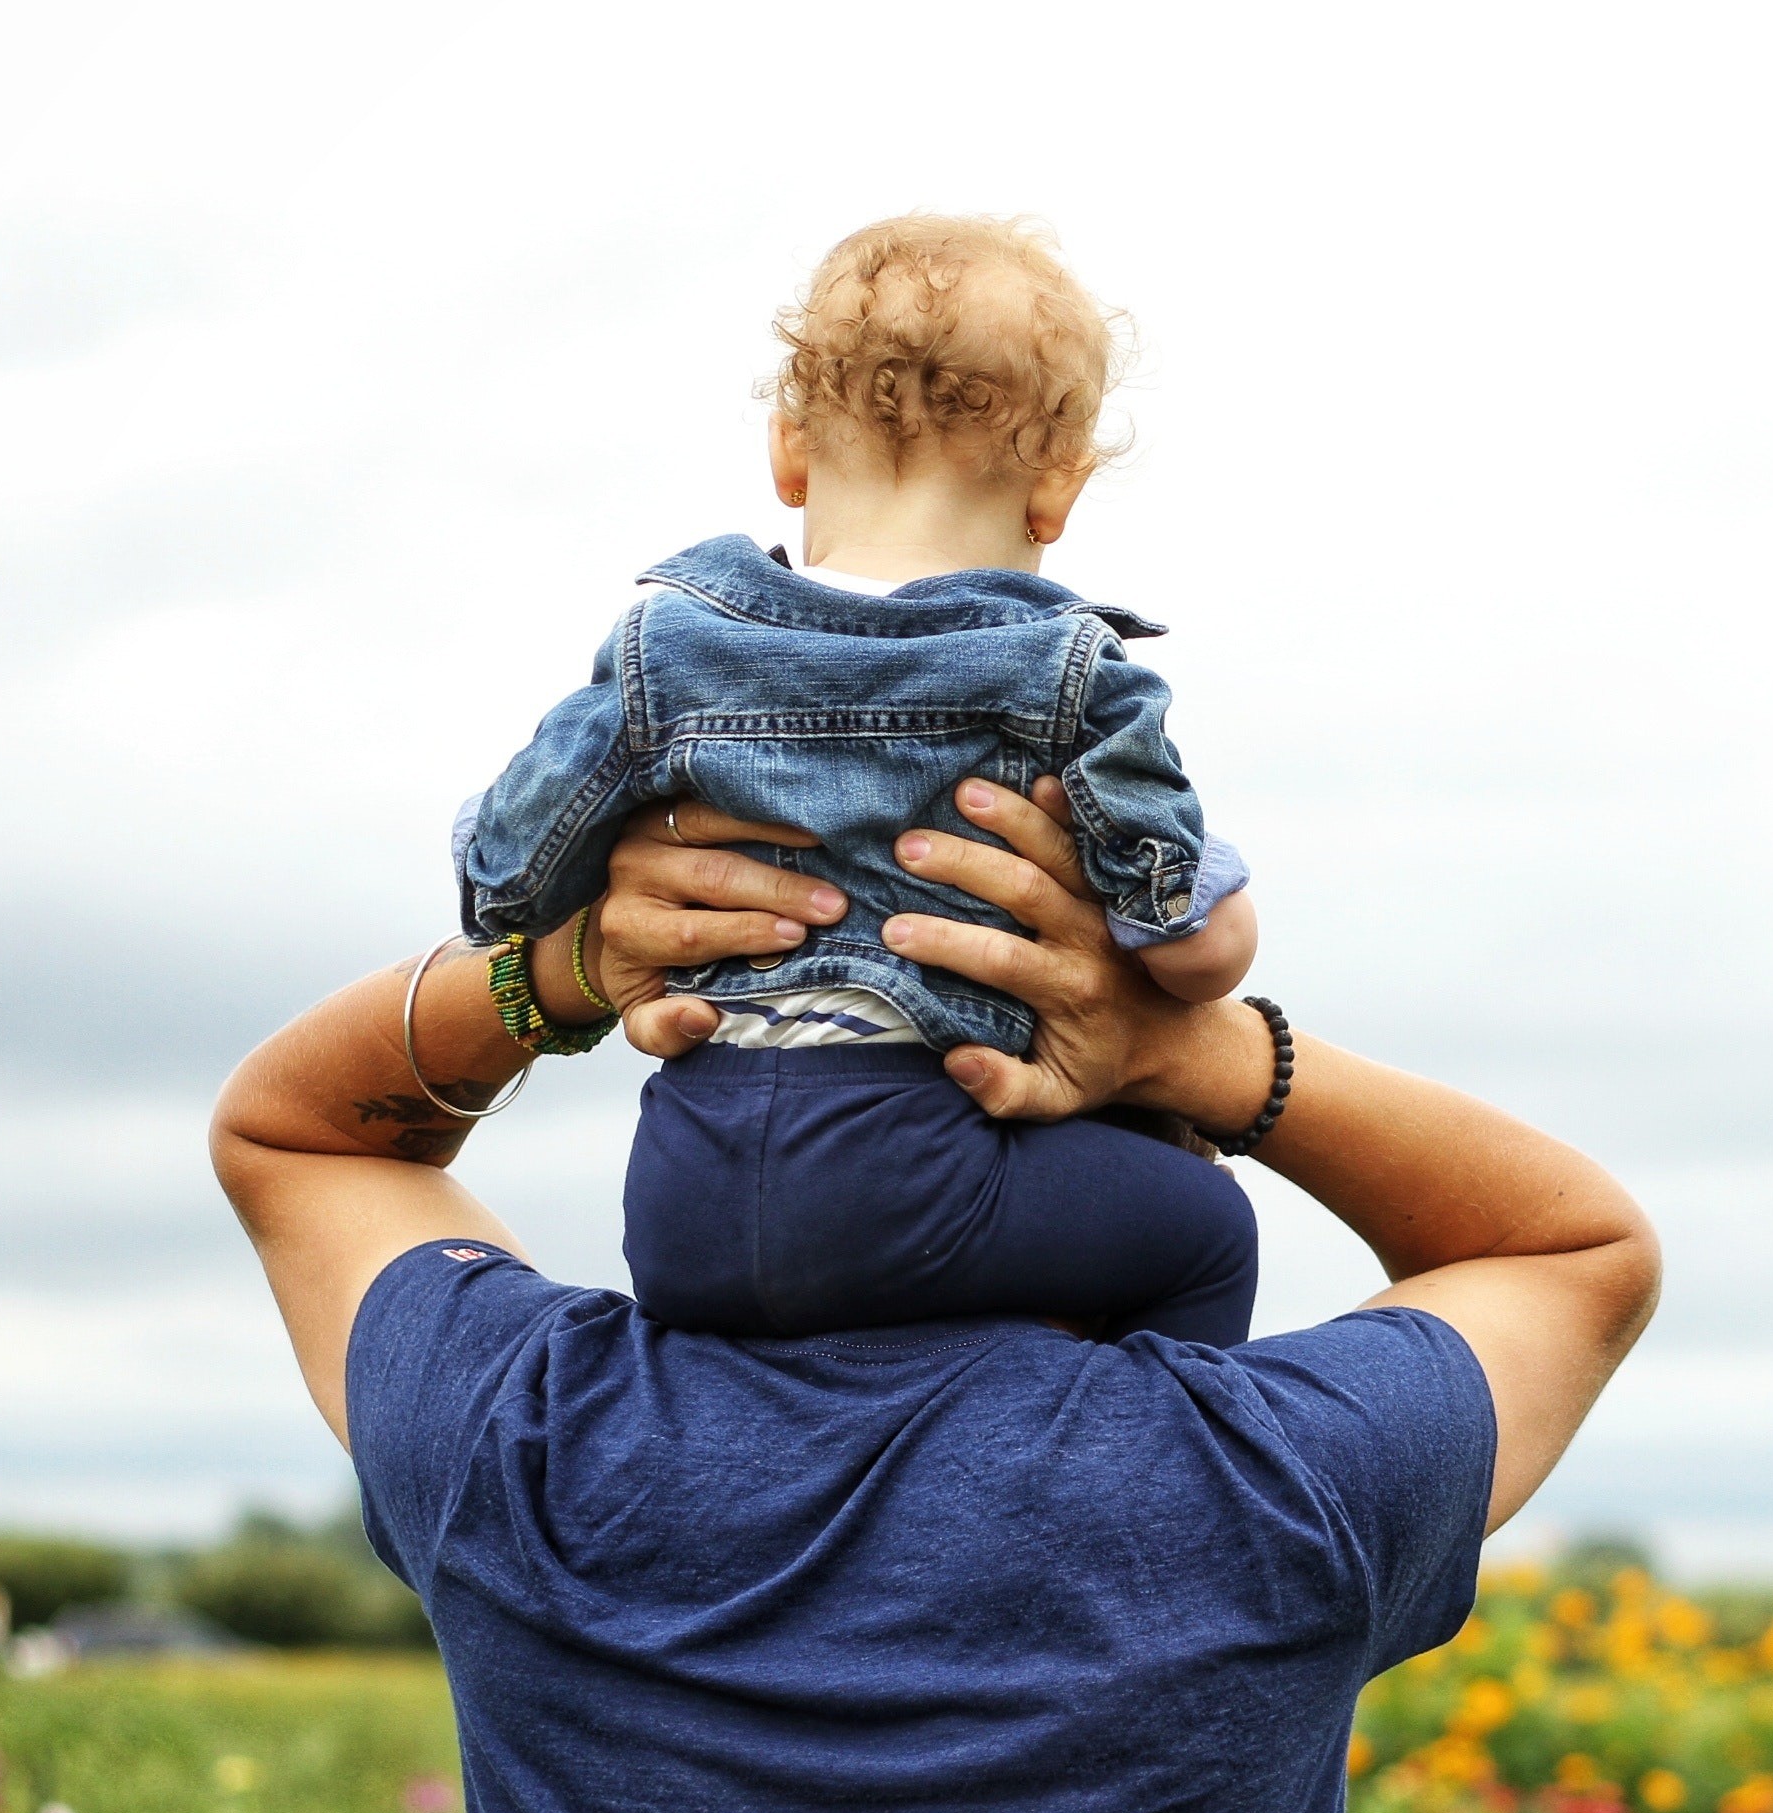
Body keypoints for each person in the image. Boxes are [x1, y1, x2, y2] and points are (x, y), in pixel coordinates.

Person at [208, 779, 1658, 1813]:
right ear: (1137, 1165)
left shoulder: (538, 1448)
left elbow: (301, 1138)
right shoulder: (1270, 1489)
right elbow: (1568, 1247)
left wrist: (561, 971)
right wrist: (1208, 1052)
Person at [456, 214, 1264, 1346]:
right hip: (919, 1172)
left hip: (685, 1190)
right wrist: (1214, 912)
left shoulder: (667, 647)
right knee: (1206, 1227)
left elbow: (505, 881)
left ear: (788, 451)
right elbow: (1185, 948)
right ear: (1057, 494)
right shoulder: (1068, 671)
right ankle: (1150, 1478)